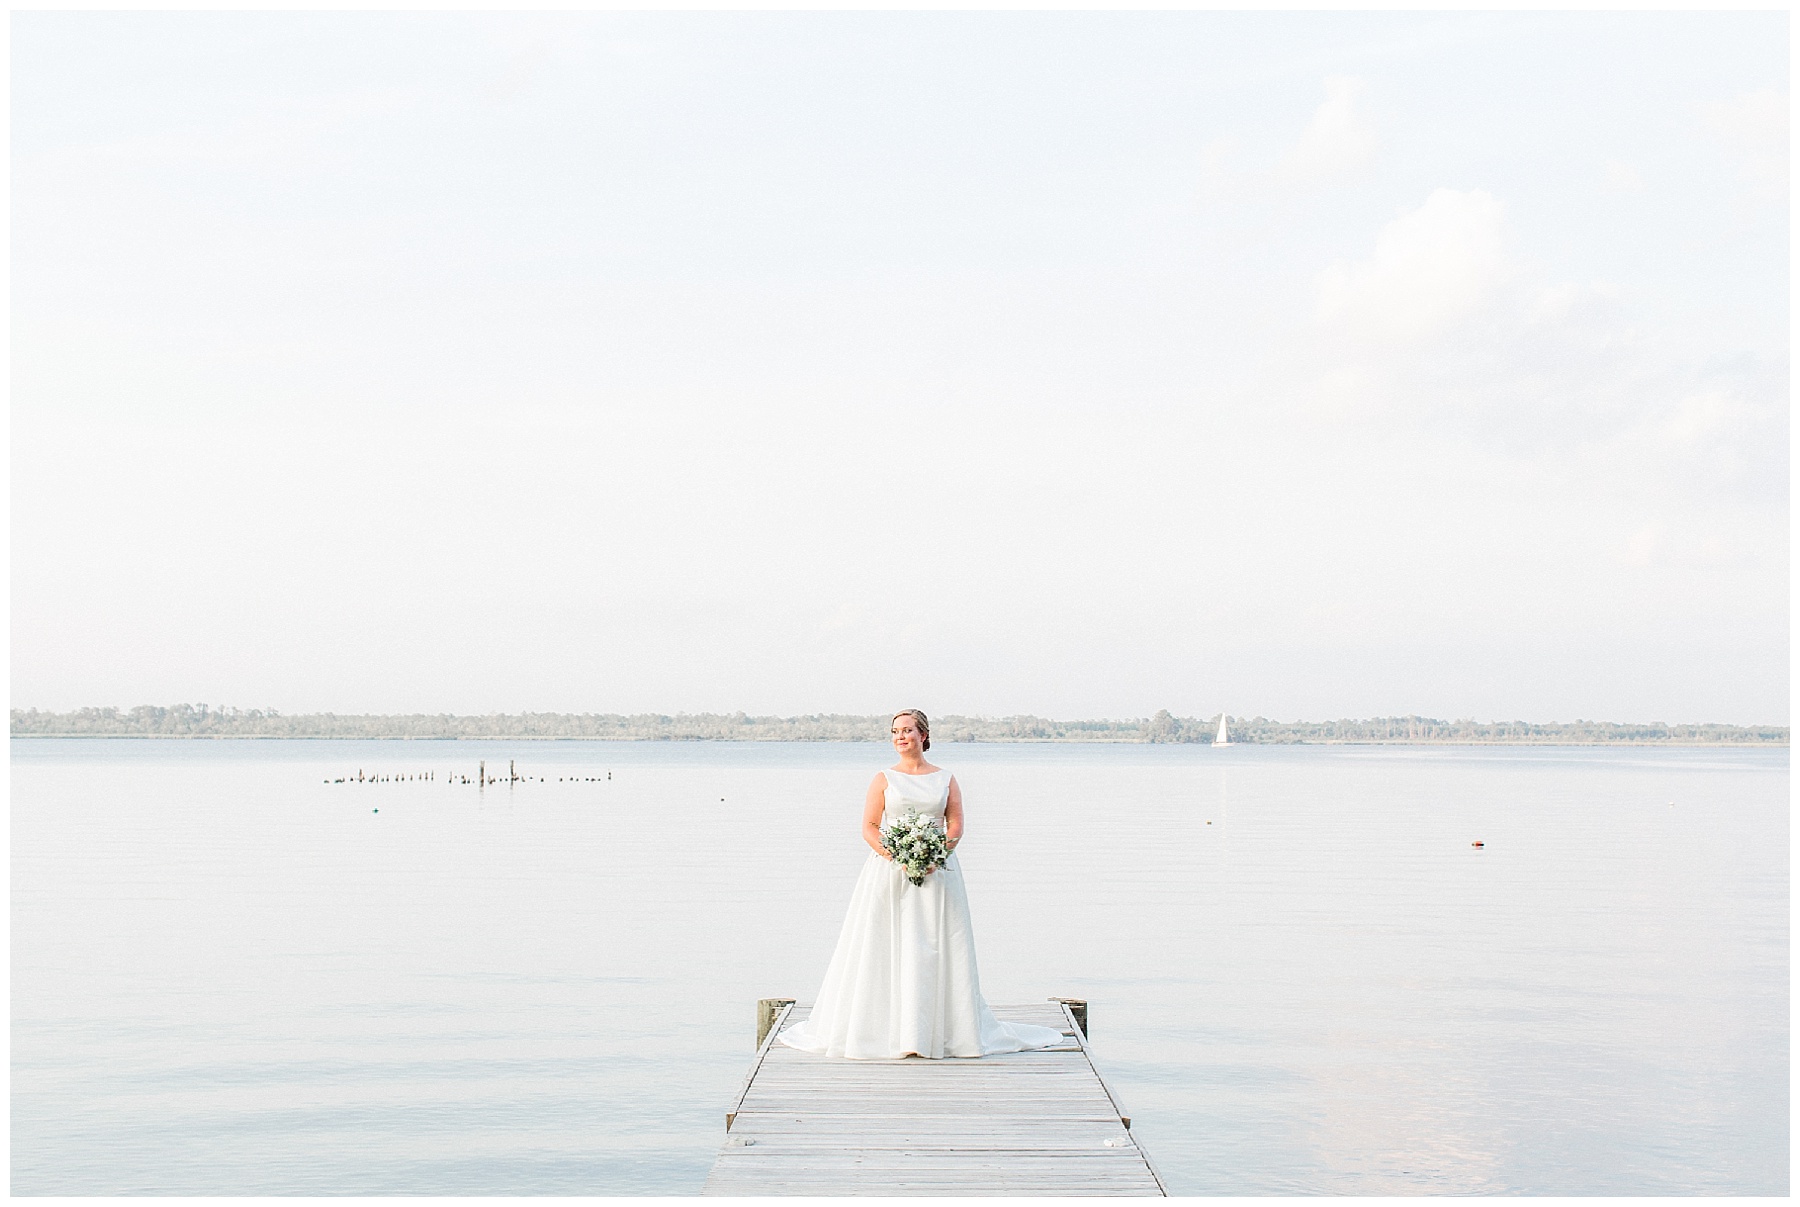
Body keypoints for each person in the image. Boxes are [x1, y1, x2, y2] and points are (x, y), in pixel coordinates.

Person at [777, 709, 1066, 1059]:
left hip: (938, 872)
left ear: (923, 735)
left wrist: (934, 855)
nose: (901, 737)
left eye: (908, 730)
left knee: (935, 945)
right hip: (889, 872)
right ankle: (882, 1028)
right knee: (884, 942)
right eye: (895, 731)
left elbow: (955, 825)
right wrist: (897, 857)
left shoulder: (945, 779)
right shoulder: (883, 778)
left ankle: (940, 1030)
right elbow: (869, 827)